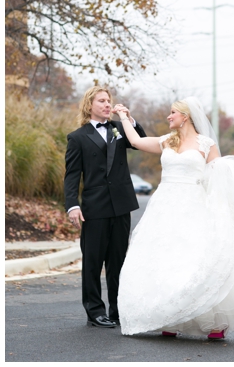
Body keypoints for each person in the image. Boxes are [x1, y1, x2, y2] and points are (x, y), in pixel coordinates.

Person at [115, 97, 234, 339]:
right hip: (164, 207)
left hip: (194, 205)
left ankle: (215, 322)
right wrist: (124, 118)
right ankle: (168, 316)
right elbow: (136, 141)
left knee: (195, 258)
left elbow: (218, 177)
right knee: (163, 258)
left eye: (173, 113)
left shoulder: (206, 144)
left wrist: (220, 207)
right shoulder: (167, 141)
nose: (169, 117)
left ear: (186, 116)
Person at [64, 86, 147, 329]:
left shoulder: (119, 128)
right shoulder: (77, 137)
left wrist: (128, 118)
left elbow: (139, 140)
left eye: (108, 101)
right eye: (101, 101)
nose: (107, 104)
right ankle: (95, 311)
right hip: (95, 207)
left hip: (121, 205)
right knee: (93, 261)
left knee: (118, 261)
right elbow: (71, 176)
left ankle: (118, 309)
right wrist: (72, 206)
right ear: (90, 105)